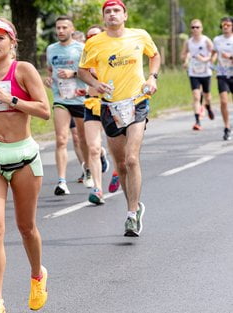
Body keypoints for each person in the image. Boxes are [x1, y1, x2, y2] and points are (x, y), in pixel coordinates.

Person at [0, 17, 50, 313]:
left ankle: (37, 274)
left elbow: (44, 111)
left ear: (12, 42)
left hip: (23, 156)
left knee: (26, 227)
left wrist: (12, 98)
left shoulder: (24, 70)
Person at [78, 0, 160, 236]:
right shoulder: (94, 43)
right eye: (108, 12)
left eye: (116, 11)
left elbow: (154, 56)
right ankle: (133, 206)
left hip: (137, 102)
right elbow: (82, 70)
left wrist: (152, 77)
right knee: (121, 164)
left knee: (132, 158)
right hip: (110, 107)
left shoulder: (140, 35)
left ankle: (132, 215)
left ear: (125, 15)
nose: (112, 14)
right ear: (104, 18)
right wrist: (94, 83)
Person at [45, 16, 92, 196]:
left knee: (82, 139)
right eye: (58, 28)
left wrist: (73, 73)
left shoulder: (81, 49)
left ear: (72, 29)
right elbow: (50, 70)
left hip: (79, 98)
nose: (60, 31)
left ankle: (89, 168)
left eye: (64, 27)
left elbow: (91, 73)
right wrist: (49, 79)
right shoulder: (51, 49)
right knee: (61, 139)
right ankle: (62, 181)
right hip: (60, 99)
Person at [80, 24, 113, 204]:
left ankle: (118, 169)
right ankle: (98, 189)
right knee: (92, 147)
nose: (92, 39)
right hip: (91, 104)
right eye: (89, 36)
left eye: (95, 36)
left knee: (119, 150)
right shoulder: (86, 56)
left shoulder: (112, 54)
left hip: (111, 104)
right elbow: (80, 76)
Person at [180, 19, 214, 131]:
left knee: (207, 96)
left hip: (205, 72)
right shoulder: (188, 42)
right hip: (193, 72)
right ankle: (197, 121)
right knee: (196, 96)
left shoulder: (206, 40)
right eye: (193, 27)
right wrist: (185, 61)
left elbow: (214, 52)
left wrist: (207, 59)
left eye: (197, 27)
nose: (195, 29)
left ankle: (208, 107)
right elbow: (183, 54)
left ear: (201, 28)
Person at [211, 16, 233, 141]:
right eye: (223, 25)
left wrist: (230, 57)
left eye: (228, 25)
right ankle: (227, 127)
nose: (225, 27)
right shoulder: (217, 40)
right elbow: (214, 54)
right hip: (222, 72)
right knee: (224, 101)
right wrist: (210, 62)